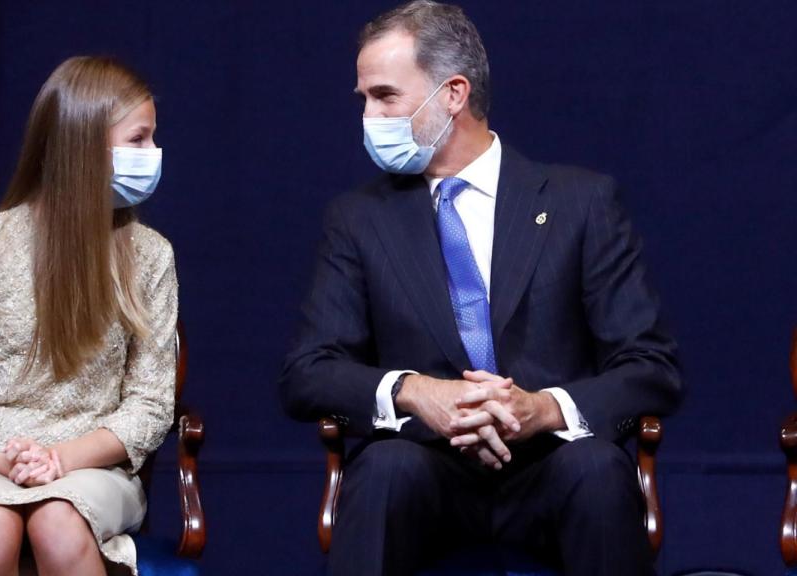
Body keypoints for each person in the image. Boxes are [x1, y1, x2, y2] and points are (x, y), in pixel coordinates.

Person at [278, 2, 682, 575]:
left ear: (453, 93)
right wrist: (416, 392)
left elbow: (651, 366)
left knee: (596, 471)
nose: (369, 115)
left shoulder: (580, 203)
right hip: (424, 471)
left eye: (385, 96)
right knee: (384, 473)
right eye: (364, 99)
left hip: (553, 469)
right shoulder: (359, 218)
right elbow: (308, 372)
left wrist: (543, 409)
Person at [0, 55, 177, 576]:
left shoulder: (150, 256)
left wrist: (62, 460)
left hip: (91, 464)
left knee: (58, 521)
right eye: (138, 139)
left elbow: (150, 403)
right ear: (82, 148)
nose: (153, 154)